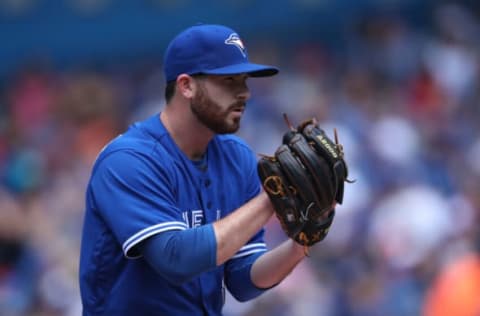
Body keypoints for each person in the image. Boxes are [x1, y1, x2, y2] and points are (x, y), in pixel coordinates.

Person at [79, 23, 309, 315]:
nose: (244, 94)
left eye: (244, 81)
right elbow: (175, 259)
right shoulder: (128, 160)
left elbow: (243, 279)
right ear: (186, 85)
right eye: (229, 81)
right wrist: (270, 198)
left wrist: (299, 245)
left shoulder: (236, 158)